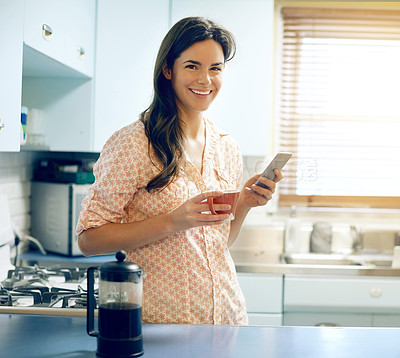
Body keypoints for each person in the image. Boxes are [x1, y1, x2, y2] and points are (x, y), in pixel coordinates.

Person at [77, 16, 283, 325]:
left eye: (215, 68)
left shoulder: (227, 146)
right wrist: (174, 220)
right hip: (162, 325)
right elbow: (89, 240)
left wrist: (244, 203)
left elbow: (217, 243)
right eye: (192, 66)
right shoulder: (133, 143)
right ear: (168, 70)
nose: (205, 80)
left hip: (226, 320)